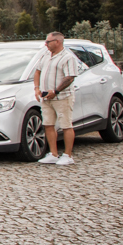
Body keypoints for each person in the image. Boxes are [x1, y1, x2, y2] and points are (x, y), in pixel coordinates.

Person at [33, 32, 82, 166]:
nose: (46, 44)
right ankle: (53, 153)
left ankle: (68, 155)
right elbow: (37, 71)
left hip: (62, 97)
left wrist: (56, 91)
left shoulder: (68, 57)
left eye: (48, 42)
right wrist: (37, 88)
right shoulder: (45, 55)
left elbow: (70, 77)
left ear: (57, 42)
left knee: (66, 124)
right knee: (48, 124)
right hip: (46, 97)